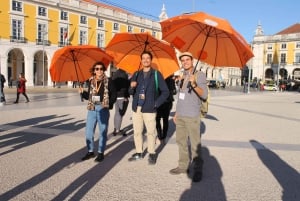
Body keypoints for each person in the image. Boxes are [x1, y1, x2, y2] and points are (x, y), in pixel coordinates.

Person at [170, 52, 208, 183]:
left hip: (192, 116)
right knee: (181, 142)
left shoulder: (199, 75)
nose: (185, 62)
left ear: (192, 61)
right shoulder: (183, 75)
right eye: (183, 60)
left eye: (187, 59)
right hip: (181, 115)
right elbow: (181, 97)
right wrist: (176, 112)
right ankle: (183, 166)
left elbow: (204, 95)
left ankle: (198, 169)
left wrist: (195, 84)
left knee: (195, 144)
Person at [128, 51, 169, 165]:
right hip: (137, 108)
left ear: (151, 60)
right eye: (143, 58)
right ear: (141, 60)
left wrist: (155, 104)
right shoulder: (136, 74)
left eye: (148, 58)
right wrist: (131, 87)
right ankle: (139, 152)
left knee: (151, 132)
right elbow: (130, 92)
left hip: (150, 108)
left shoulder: (156, 74)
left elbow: (165, 92)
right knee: (137, 132)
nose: (145, 60)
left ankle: (151, 153)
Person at [79, 61, 117, 162]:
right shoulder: (91, 82)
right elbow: (90, 97)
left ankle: (101, 152)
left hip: (103, 109)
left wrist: (108, 105)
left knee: (102, 132)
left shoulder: (109, 81)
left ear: (103, 70)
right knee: (88, 132)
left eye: (101, 68)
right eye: (97, 69)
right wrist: (83, 93)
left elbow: (114, 95)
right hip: (92, 109)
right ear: (94, 71)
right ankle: (90, 151)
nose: (99, 70)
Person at [155, 75, 176, 143]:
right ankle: (164, 136)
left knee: (157, 119)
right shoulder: (171, 80)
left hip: (159, 102)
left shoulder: (157, 80)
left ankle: (159, 136)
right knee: (165, 120)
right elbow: (174, 92)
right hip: (168, 102)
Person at [112, 68, 130, 136]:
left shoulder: (116, 73)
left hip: (116, 96)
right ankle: (117, 130)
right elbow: (125, 86)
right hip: (122, 96)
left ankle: (116, 128)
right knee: (120, 113)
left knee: (117, 112)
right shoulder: (123, 74)